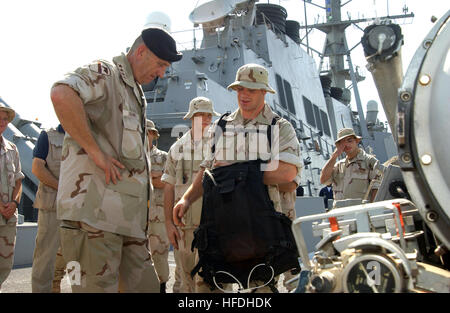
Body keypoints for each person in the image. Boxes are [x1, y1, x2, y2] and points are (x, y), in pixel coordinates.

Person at [50, 27, 182, 292]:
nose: (162, 74)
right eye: (160, 65)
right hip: (94, 220)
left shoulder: (135, 90)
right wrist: (95, 151)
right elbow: (61, 93)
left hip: (129, 225)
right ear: (141, 52)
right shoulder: (106, 73)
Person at [172, 64, 302, 293]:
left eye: (251, 90)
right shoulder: (220, 127)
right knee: (207, 287)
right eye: (240, 89)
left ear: (264, 92)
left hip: (260, 225)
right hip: (221, 223)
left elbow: (287, 173)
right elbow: (207, 171)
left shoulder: (279, 127)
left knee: (260, 289)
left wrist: (237, 171)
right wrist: (186, 199)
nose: (244, 95)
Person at [162, 96, 219, 293]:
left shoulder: (220, 144)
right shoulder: (176, 148)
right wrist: (168, 223)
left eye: (208, 115)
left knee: (216, 284)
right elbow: (168, 187)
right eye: (200, 114)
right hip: (184, 230)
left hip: (214, 228)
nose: (205, 119)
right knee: (187, 285)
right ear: (191, 117)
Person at [31, 124, 67, 293]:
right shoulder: (48, 136)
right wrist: (63, 189)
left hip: (81, 210)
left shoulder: (88, 137)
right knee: (45, 259)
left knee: (80, 261)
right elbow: (37, 167)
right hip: (52, 208)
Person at [320, 128, 384, 204]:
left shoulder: (369, 161)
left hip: (361, 211)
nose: (346, 145)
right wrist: (334, 156)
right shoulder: (339, 166)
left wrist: (372, 209)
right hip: (340, 212)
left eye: (350, 141)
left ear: (356, 141)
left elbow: (376, 188)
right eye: (342, 143)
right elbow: (324, 180)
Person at [0, 104, 24, 291]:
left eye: (5, 119)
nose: (2, 122)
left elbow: (18, 181)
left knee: (4, 266)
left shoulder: (12, 148)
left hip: (7, 218)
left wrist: (15, 203)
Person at [145, 119, 170, 293]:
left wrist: (145, 176)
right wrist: (154, 175)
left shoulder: (163, 157)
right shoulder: (132, 157)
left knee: (159, 255)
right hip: (134, 215)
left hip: (157, 215)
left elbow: (167, 182)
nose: (145, 136)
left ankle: (161, 288)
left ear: (154, 135)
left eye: (148, 132)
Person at [278, 171, 302, 291]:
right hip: (259, 222)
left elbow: (291, 183)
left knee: (294, 280)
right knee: (261, 281)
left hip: (285, 223)